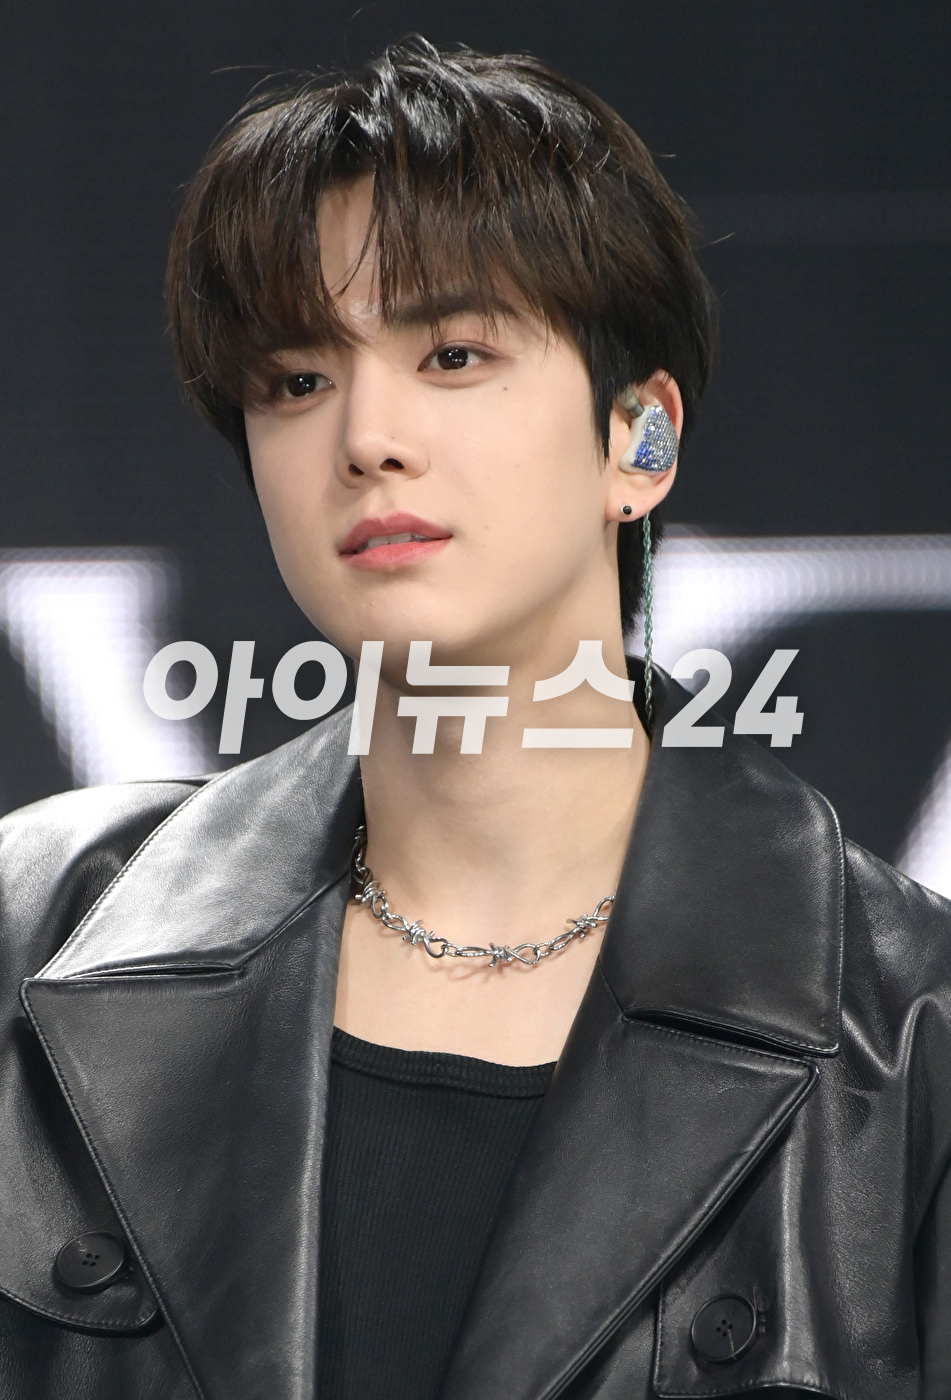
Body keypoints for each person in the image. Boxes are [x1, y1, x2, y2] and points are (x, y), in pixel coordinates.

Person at [0, 37, 949, 1400]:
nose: (366, 437)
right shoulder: (39, 933)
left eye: (451, 354)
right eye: (297, 380)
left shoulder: (908, 1035)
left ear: (640, 440)